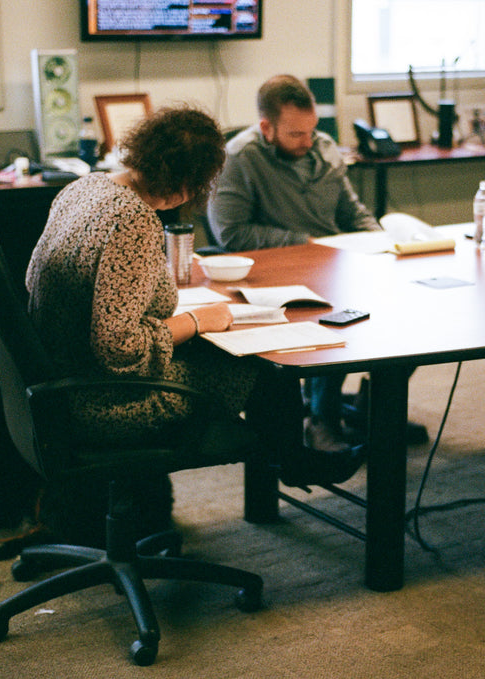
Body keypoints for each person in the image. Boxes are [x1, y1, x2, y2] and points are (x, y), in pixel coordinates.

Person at [26, 105, 363, 488]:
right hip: (104, 400)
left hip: (55, 382)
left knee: (227, 349)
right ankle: (291, 462)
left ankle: (286, 460)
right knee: (261, 368)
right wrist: (196, 321)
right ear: (189, 183)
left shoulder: (85, 187)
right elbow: (120, 349)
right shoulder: (132, 221)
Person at [208, 74, 426, 454]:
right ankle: (320, 419)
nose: (307, 141)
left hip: (334, 262)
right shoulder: (239, 159)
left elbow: (352, 212)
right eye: (296, 134)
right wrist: (307, 242)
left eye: (311, 131)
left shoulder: (324, 149)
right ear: (266, 128)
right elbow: (231, 233)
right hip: (277, 273)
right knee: (334, 314)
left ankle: (372, 407)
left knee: (413, 310)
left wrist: (381, 245)